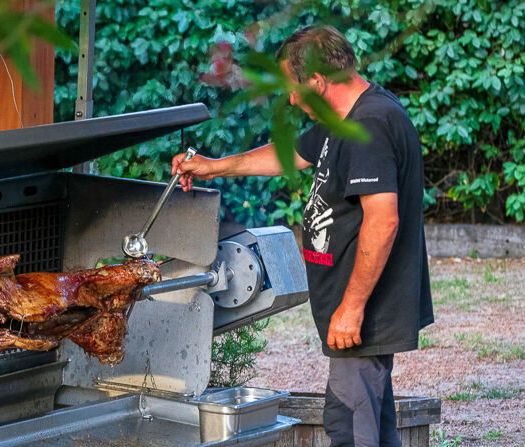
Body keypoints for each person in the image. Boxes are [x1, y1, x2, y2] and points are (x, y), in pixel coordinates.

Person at [172, 25, 433, 447]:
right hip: (359, 308)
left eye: (294, 88)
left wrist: (351, 308)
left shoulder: (369, 124)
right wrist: (211, 166)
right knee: (375, 427)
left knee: (348, 426)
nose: (292, 99)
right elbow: (288, 154)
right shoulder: (343, 118)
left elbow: (383, 222)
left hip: (366, 310)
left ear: (317, 80)